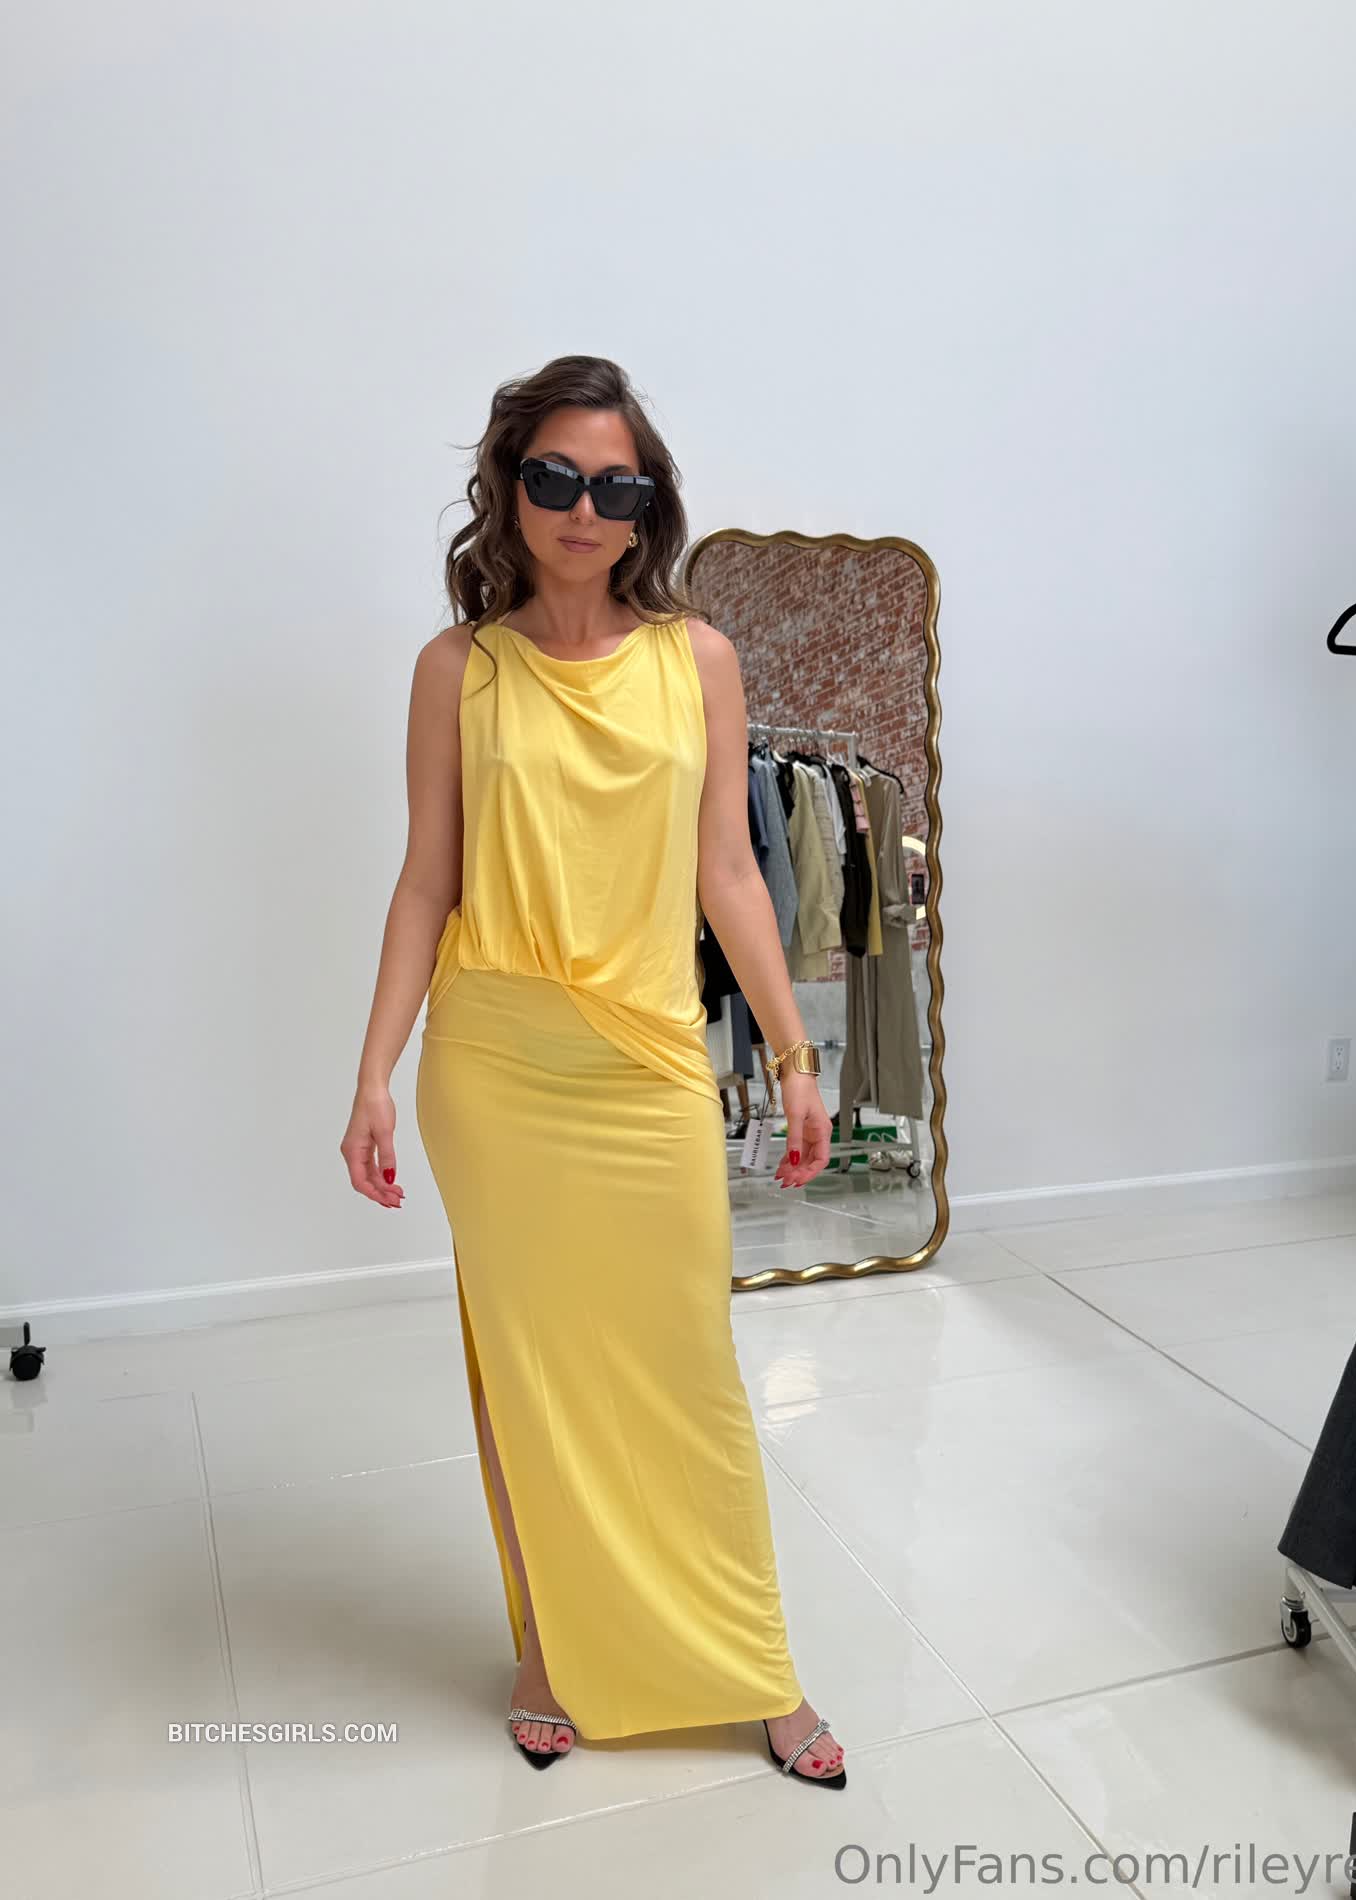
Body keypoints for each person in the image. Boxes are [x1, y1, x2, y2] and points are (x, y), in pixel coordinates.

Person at [340, 353, 846, 1788]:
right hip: (495, 1067)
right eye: (554, 477)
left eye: (614, 486)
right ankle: (550, 1648)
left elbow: (730, 872)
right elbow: (426, 882)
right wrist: (373, 1074)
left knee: (687, 1376)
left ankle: (754, 1666)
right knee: (530, 1373)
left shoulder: (698, 660)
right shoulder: (459, 670)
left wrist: (796, 1059)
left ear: (647, 505)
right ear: (509, 488)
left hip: (645, 1062)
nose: (582, 509)